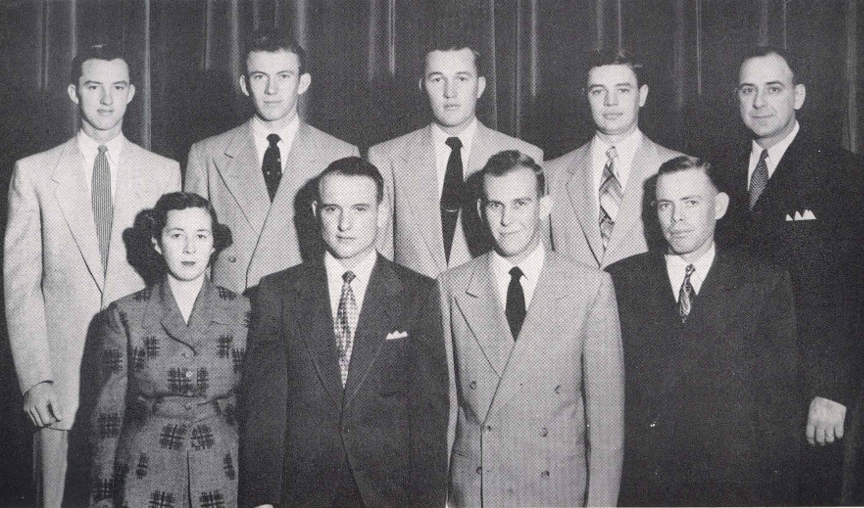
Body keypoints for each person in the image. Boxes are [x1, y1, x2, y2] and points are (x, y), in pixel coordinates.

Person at [4, 43, 181, 508]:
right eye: (93, 86)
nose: (106, 99)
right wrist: (35, 378)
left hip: (141, 386)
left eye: (117, 87)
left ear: (132, 93)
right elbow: (21, 286)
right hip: (59, 387)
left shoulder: (164, 172)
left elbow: (174, 286)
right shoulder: (35, 173)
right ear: (72, 92)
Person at [716, 46, 864, 505]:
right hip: (731, 391)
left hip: (808, 398)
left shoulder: (844, 172)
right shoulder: (715, 170)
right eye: (748, 90)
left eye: (774, 89)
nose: (760, 102)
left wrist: (834, 390)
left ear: (799, 95)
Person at [240, 157, 448, 508]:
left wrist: (427, 500)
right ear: (314, 211)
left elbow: (428, 415)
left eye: (360, 209)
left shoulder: (418, 293)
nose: (345, 224)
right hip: (302, 491)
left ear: (382, 214)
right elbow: (265, 410)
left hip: (388, 492)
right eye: (332, 209)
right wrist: (262, 499)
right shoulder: (277, 292)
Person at [607, 156, 800, 506]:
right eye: (665, 205)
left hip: (734, 484)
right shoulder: (620, 281)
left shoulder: (762, 282)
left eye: (691, 203)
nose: (676, 219)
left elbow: (778, 406)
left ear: (720, 206)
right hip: (646, 484)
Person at [436, 150, 623, 507]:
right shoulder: (452, 287)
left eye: (520, 204)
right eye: (495, 205)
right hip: (477, 493)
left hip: (555, 493)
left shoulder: (590, 288)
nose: (507, 220)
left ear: (544, 206)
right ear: (479, 210)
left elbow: (606, 431)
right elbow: (447, 412)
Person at [88, 192, 247, 508]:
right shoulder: (125, 314)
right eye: (177, 235)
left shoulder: (242, 312)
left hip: (222, 473)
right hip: (146, 474)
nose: (190, 248)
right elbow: (108, 415)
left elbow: (254, 409)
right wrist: (103, 495)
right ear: (157, 243)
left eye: (201, 236)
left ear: (214, 244)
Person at [185, 28, 358, 294]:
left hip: (308, 309)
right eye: (259, 77)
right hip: (233, 311)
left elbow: (352, 254)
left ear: (303, 83)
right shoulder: (207, 154)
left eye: (284, 76)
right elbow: (192, 254)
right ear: (244, 85)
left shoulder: (339, 153)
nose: (271, 89)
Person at [368, 35, 543, 278]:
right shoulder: (386, 157)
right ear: (422, 86)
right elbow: (379, 256)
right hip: (413, 309)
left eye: (462, 78)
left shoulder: (524, 156)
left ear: (480, 86)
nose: (450, 92)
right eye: (437, 79)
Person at [546, 49, 683, 269]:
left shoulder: (681, 169)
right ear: (585, 97)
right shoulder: (551, 174)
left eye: (623, 90)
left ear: (643, 95)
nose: (611, 102)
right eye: (598, 91)